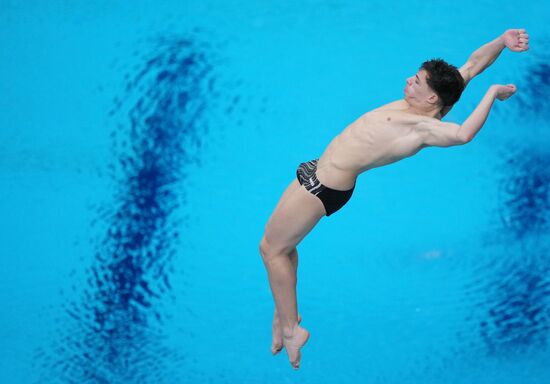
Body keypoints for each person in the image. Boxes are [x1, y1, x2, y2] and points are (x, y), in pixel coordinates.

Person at [259, 28, 529, 370]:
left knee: (272, 250)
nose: (408, 82)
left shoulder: (421, 127)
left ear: (432, 98)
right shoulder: (436, 94)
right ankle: (285, 315)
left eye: (416, 81)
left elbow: (463, 134)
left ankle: (291, 329)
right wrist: (502, 42)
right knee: (283, 247)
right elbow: (474, 64)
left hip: (323, 187)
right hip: (316, 170)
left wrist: (491, 93)